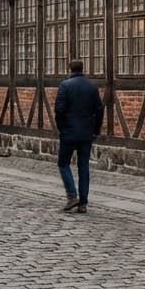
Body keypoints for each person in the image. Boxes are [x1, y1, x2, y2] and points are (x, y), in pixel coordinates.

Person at [53, 59, 103, 214]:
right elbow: (99, 110)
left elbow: (59, 110)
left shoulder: (65, 86)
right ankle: (83, 204)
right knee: (84, 167)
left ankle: (72, 195)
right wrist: (96, 130)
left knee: (63, 163)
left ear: (70, 69)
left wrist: (61, 128)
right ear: (82, 69)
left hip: (68, 132)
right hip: (86, 133)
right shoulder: (92, 86)